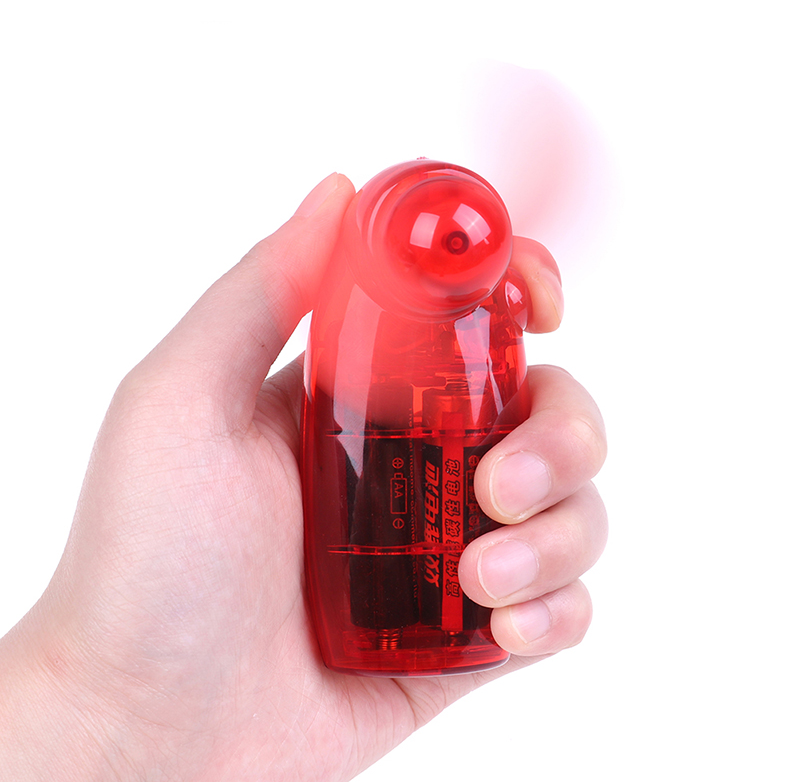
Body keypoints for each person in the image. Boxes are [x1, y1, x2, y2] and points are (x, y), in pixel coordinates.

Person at [0, 173, 608, 780]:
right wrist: (105, 700)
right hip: (347, 620)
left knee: (511, 500)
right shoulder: (370, 301)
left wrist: (102, 717)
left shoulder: (472, 308)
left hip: (410, 616)